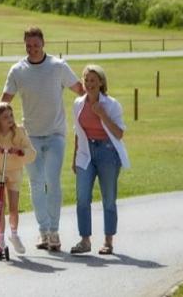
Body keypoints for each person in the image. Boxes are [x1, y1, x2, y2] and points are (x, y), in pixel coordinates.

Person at [1, 26, 84, 251]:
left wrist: (100, 103)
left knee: (52, 181)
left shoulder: (58, 67)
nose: (33, 49)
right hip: (30, 137)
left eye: (36, 45)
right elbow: (5, 100)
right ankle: (43, 232)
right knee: (36, 184)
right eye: (28, 46)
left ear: (43, 43)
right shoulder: (18, 70)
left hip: (56, 133)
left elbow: (80, 90)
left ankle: (55, 232)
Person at [70, 64, 130, 255]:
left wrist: (102, 114)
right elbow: (78, 133)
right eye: (86, 80)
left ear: (101, 82)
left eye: (93, 81)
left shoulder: (111, 105)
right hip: (86, 154)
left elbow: (119, 133)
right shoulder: (78, 104)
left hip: (107, 153)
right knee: (82, 197)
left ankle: (108, 241)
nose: (89, 84)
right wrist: (74, 158)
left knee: (109, 198)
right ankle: (85, 240)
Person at [0, 102, 36, 254]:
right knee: (0, 204)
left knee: (14, 208)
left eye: (11, 115)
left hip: (14, 170)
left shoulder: (19, 131)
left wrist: (20, 151)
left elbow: (31, 151)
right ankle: (0, 237)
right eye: (5, 117)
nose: (10, 119)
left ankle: (14, 234)